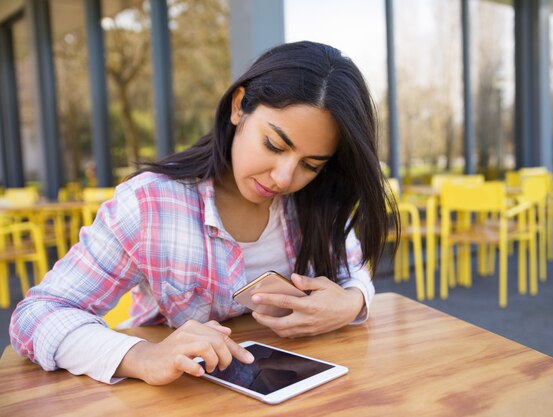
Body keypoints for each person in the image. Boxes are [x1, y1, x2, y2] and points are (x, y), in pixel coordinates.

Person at [10, 41, 399, 386]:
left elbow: (354, 272)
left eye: (311, 164)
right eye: (274, 145)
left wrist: (351, 302)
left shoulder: (317, 200)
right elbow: (37, 314)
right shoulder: (151, 204)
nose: (284, 177)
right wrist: (142, 357)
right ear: (238, 107)